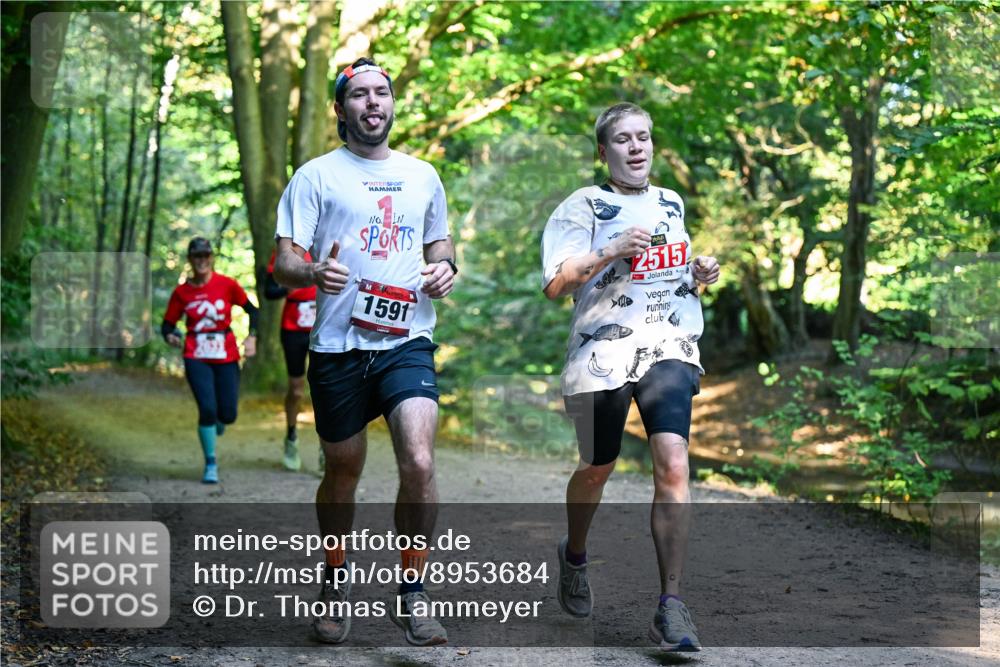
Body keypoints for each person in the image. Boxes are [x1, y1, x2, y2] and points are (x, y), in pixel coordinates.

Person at [272, 58, 456, 647]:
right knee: (342, 471)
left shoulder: (423, 174)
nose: (373, 103)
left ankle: (413, 590)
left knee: (420, 461)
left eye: (382, 93)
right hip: (335, 346)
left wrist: (445, 267)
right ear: (341, 109)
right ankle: (333, 577)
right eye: (360, 95)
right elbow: (283, 261)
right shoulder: (315, 176)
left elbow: (441, 242)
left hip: (407, 339)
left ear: (393, 104)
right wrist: (312, 269)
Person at [540, 103, 720, 652]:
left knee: (672, 462)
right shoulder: (582, 206)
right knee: (597, 467)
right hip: (601, 354)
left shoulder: (670, 202)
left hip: (668, 345)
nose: (636, 147)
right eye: (623, 139)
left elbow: (669, 276)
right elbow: (555, 285)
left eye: (643, 136)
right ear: (604, 150)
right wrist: (609, 249)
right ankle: (574, 555)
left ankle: (671, 606)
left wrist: (700, 275)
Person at [162, 237, 259, 484]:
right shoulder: (182, 292)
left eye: (206, 255)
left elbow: (253, 311)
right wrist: (171, 336)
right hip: (196, 354)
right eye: (197, 256)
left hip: (226, 354)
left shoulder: (227, 285)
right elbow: (167, 325)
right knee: (206, 408)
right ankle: (211, 462)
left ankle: (217, 421)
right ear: (190, 260)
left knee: (227, 414)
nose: (202, 260)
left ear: (212, 257)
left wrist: (251, 338)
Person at [264, 248, 319, 472]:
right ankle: (291, 437)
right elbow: (269, 290)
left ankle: (328, 448)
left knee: (324, 389)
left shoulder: (331, 242)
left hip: (324, 326)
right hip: (293, 329)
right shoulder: (284, 250)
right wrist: (290, 285)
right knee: (296, 390)